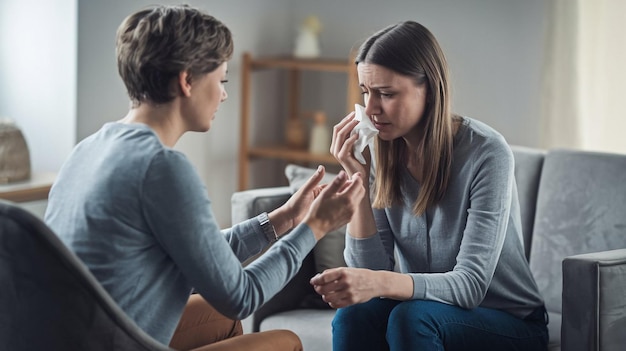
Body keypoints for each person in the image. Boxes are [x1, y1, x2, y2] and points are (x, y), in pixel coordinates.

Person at [44, 5, 365, 351]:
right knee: (285, 342)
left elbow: (202, 253)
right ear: (187, 81)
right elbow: (242, 295)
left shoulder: (89, 148)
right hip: (115, 342)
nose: (224, 94)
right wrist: (315, 227)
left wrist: (283, 219)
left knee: (222, 319)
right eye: (221, 80)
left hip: (77, 335)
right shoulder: (161, 167)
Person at [310, 21, 549, 350]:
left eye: (387, 94)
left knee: (412, 317)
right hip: (425, 309)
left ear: (430, 88)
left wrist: (377, 281)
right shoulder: (381, 152)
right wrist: (358, 181)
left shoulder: (487, 153)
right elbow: (371, 276)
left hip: (508, 321)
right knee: (353, 316)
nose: (371, 109)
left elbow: (469, 287)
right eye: (366, 92)